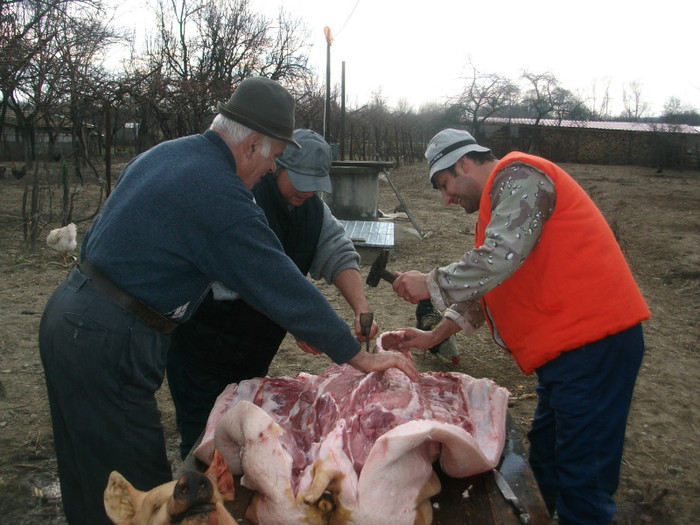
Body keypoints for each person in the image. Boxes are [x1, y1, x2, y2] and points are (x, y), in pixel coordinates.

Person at [38, 77, 417, 525]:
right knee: (142, 496)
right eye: (275, 157)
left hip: (73, 315)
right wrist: (358, 357)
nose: (268, 170)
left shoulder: (171, 153)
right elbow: (275, 280)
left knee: (95, 478)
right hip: (111, 336)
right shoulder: (218, 189)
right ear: (254, 144)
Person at [386, 128, 650, 525]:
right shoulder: (501, 209)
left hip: (595, 345)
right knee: (545, 458)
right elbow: (490, 286)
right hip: (566, 357)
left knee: (583, 480)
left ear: (464, 163)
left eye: (445, 185)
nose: (446, 198)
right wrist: (432, 336)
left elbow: (498, 259)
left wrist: (431, 282)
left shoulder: (519, 175)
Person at [166, 128, 380, 459]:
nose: (309, 190)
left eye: (316, 183)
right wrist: (298, 320)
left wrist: (361, 307)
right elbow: (249, 280)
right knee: (205, 445)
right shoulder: (243, 199)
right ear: (277, 165)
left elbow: (337, 251)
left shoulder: (313, 210)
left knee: (243, 440)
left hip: (253, 352)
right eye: (301, 179)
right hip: (204, 349)